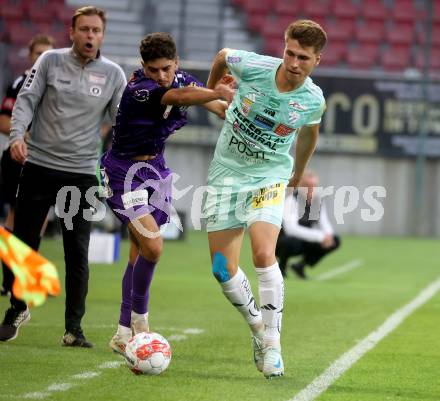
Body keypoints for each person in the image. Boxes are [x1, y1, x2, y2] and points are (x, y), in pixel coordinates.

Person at [203, 19, 327, 378]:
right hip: (225, 174)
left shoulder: (312, 100)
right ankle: (258, 328)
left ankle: (273, 343)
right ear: (283, 46)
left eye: (303, 57)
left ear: (317, 60)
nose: (293, 63)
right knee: (221, 269)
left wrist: (298, 173)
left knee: (262, 253)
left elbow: (309, 135)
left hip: (269, 177)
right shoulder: (253, 66)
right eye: (289, 53)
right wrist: (212, 96)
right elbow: (223, 56)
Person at [100, 32, 234, 355]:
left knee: (140, 251)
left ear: (176, 62)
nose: (160, 76)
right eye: (153, 69)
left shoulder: (180, 79)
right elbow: (180, 97)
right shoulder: (140, 90)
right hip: (123, 174)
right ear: (143, 67)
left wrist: (228, 109)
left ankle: (122, 333)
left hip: (155, 171)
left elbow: (211, 102)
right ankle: (141, 324)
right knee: (154, 246)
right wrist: (214, 92)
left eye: (166, 69)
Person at [0, 6, 127, 347]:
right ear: (71, 31)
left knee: (76, 250)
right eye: (84, 29)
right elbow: (26, 101)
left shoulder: (114, 74)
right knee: (23, 245)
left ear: (103, 34)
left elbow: (121, 120)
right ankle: (16, 308)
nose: (90, 36)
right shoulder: (49, 62)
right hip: (39, 164)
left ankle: (74, 328)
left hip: (81, 173)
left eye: (96, 31)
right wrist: (16, 136)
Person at [0, 34, 55, 297]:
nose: (42, 58)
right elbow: (3, 121)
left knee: (40, 219)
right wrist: (23, 136)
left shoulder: (56, 83)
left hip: (48, 161)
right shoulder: (21, 82)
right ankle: (10, 278)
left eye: (48, 54)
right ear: (30, 56)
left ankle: (28, 276)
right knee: (16, 216)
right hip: (20, 159)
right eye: (38, 53)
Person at [276, 170, 340, 279]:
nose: (311, 189)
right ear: (300, 185)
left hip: (305, 240)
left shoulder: (317, 200)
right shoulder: (291, 200)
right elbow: (291, 229)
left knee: (335, 240)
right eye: (307, 186)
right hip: (282, 242)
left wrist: (328, 235)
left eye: (314, 186)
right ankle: (281, 266)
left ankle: (300, 265)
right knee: (291, 241)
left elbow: (324, 222)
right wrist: (320, 236)